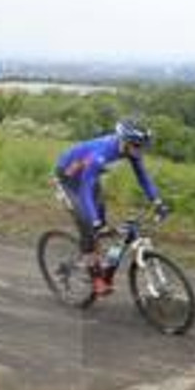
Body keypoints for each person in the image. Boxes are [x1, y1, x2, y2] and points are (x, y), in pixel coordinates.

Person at [54, 119, 169, 295]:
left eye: (143, 147)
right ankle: (95, 277)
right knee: (88, 223)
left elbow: (143, 177)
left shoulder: (131, 150)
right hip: (69, 182)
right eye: (137, 146)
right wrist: (94, 222)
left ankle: (93, 258)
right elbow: (85, 190)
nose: (140, 151)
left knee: (100, 220)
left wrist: (158, 202)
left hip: (88, 179)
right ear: (124, 141)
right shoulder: (100, 154)